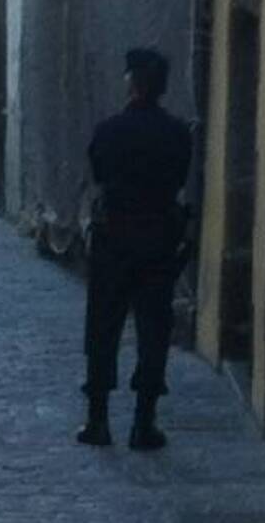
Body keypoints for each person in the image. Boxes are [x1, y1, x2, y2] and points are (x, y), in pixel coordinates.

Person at [77, 49, 192, 452]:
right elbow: (180, 178)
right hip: (159, 239)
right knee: (153, 331)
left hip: (114, 238)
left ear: (131, 83)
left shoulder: (110, 130)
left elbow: (99, 173)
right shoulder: (178, 133)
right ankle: (144, 423)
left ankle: (98, 420)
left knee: (103, 328)